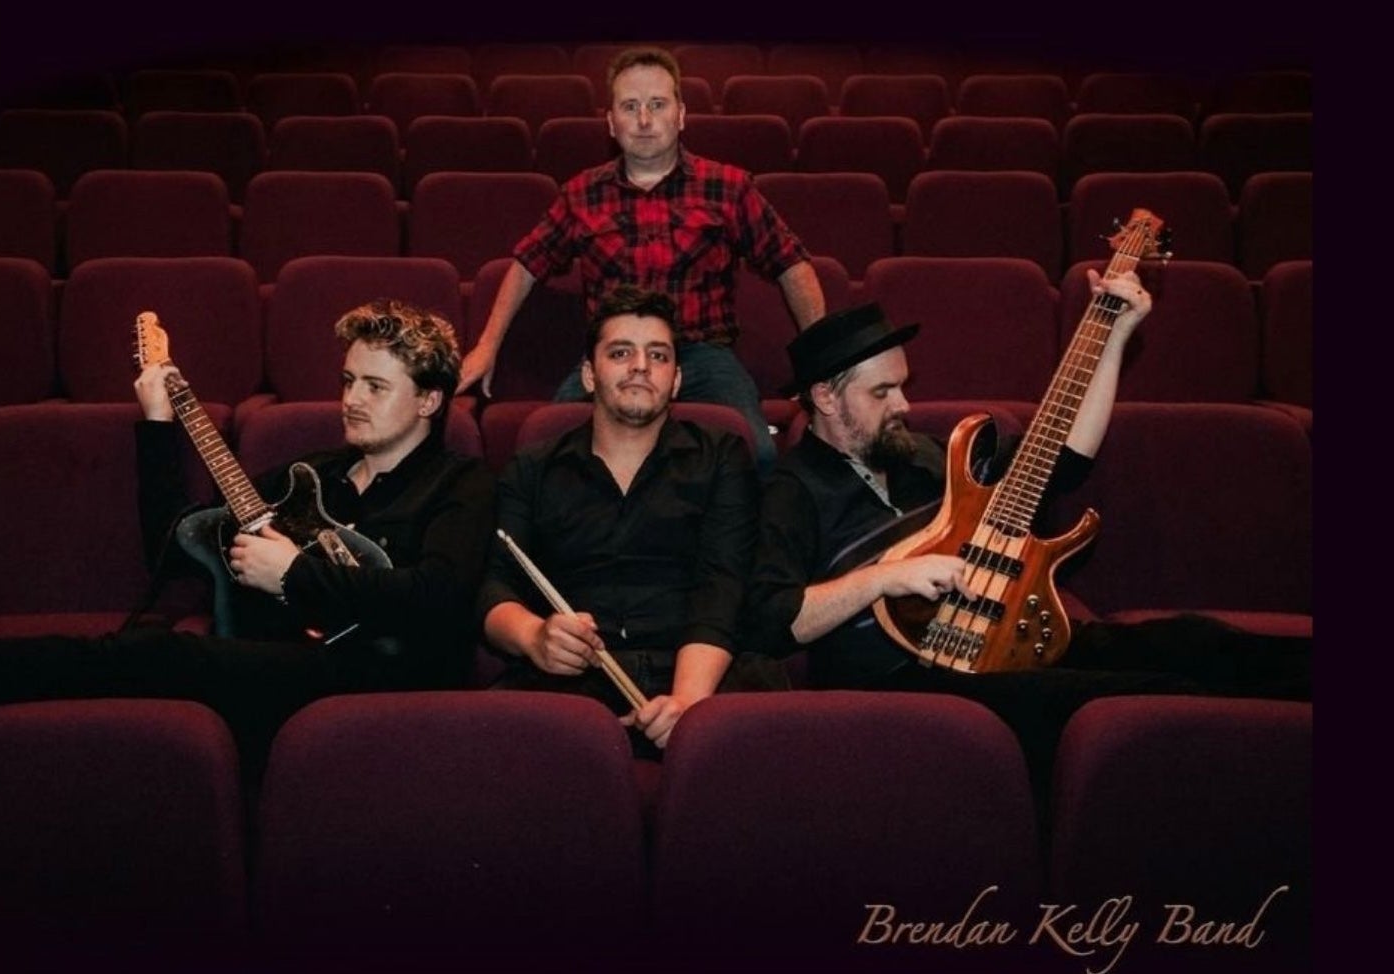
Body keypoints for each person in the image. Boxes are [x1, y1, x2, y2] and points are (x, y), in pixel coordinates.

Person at [745, 285, 1312, 802]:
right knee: (1158, 697)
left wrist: (1112, 337)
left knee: (1197, 642)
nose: (903, 405)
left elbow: (1058, 461)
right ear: (824, 396)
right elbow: (774, 620)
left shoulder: (919, 454)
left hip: (1006, 632)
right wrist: (883, 577)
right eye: (883, 391)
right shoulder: (791, 492)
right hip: (910, 675)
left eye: (902, 386)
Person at [0, 299, 497, 787]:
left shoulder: (460, 482)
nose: (351, 400)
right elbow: (174, 543)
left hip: (379, 672)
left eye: (375, 387)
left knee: (158, 654)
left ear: (429, 399)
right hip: (277, 656)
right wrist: (158, 422)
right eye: (347, 380)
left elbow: (439, 595)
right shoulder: (309, 475)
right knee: (148, 661)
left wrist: (294, 574)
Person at [456, 45, 825, 474]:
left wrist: (821, 358)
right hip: (611, 353)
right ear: (612, 122)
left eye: (657, 105)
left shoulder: (729, 187)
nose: (645, 120)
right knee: (547, 447)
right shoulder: (581, 193)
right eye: (631, 107)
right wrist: (486, 347)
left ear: (681, 114)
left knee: (757, 452)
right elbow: (525, 265)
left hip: (702, 356)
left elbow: (792, 264)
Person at [478, 285, 772, 758]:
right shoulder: (533, 466)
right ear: (589, 376)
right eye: (621, 352)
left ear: (676, 380)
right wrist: (535, 637)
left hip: (696, 668)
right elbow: (495, 587)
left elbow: (723, 587)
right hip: (573, 678)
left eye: (658, 355)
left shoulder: (721, 456)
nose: (641, 365)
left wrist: (687, 707)